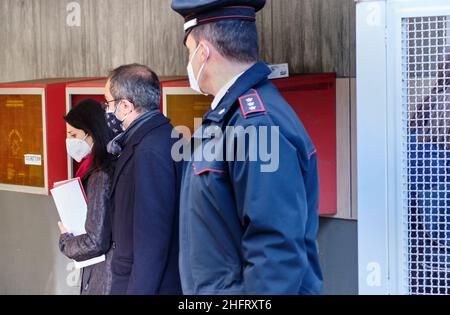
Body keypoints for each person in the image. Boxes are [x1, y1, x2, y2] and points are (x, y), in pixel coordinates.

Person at [171, 0, 323, 294]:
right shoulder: (229, 118)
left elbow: (275, 253)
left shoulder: (256, 126)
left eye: (189, 52)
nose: (189, 63)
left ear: (204, 52)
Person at [104, 64, 182, 295]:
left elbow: (152, 238)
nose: (106, 111)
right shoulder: (163, 136)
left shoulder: (149, 149)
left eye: (108, 103)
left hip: (143, 283)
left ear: (125, 105)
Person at [58, 99, 116, 295]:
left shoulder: (100, 175)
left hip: (104, 273)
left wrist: (66, 241)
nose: (69, 142)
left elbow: (95, 242)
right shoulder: (99, 166)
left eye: (74, 135)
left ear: (91, 134)